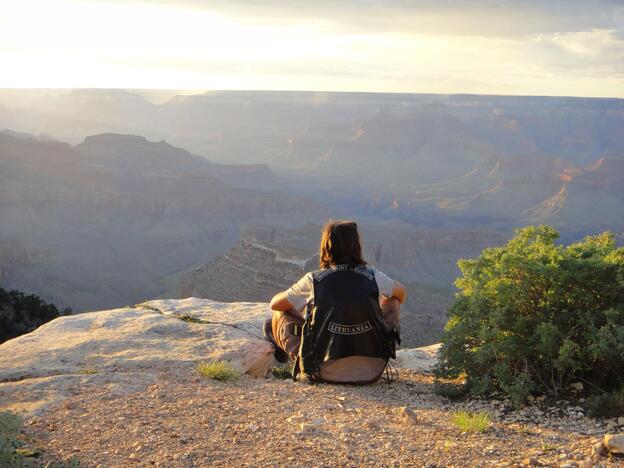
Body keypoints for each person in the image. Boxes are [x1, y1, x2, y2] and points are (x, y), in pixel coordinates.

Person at [263, 220, 406, 384]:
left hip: (321, 371)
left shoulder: (314, 280)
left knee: (279, 313)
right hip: (373, 372)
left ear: (326, 246)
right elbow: (401, 293)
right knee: (392, 299)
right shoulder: (374, 276)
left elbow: (275, 304)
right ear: (356, 246)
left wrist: (301, 303)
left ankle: (284, 351)